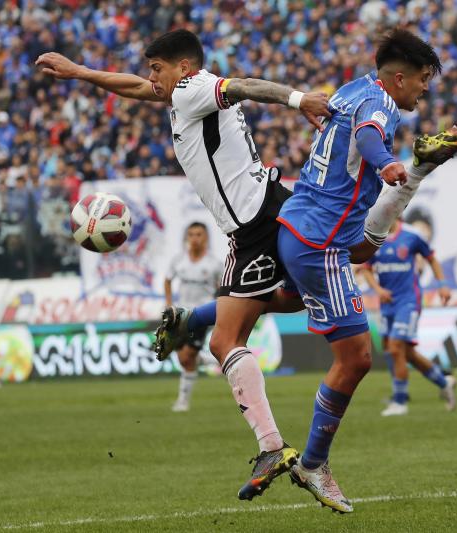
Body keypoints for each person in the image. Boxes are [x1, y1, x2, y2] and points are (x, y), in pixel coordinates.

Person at [37, 29, 330, 501]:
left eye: (158, 68)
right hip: (274, 208)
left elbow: (244, 85)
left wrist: (299, 100)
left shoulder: (195, 89)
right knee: (294, 300)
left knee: (225, 341)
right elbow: (133, 86)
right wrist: (79, 72)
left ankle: (271, 446)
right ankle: (192, 320)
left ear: (185, 68)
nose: (151, 77)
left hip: (254, 226)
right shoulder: (180, 95)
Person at [275, 29, 457, 513]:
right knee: (358, 358)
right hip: (320, 238)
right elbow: (367, 135)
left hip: (301, 225)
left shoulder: (351, 89)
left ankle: (195, 320)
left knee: (327, 273)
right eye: (422, 80)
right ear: (399, 77)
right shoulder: (380, 103)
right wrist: (387, 165)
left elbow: (351, 132)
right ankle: (313, 463)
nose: (424, 89)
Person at [360, 218, 456, 416]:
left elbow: (431, 258)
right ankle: (444, 382)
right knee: (405, 353)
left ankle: (400, 402)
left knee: (396, 348)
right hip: (387, 304)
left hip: (409, 301)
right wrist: (377, 289)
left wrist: (443, 284)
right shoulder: (374, 237)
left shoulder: (411, 236)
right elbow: (366, 269)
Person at [164, 222, 222, 412]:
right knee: (184, 359)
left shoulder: (214, 264)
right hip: (181, 314)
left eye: (199, 234)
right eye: (191, 235)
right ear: (186, 238)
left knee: (187, 355)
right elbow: (168, 279)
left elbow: (223, 287)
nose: (195, 238)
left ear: (205, 238)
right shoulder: (178, 261)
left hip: (201, 314)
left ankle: (182, 402)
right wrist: (169, 303)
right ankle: (206, 359)